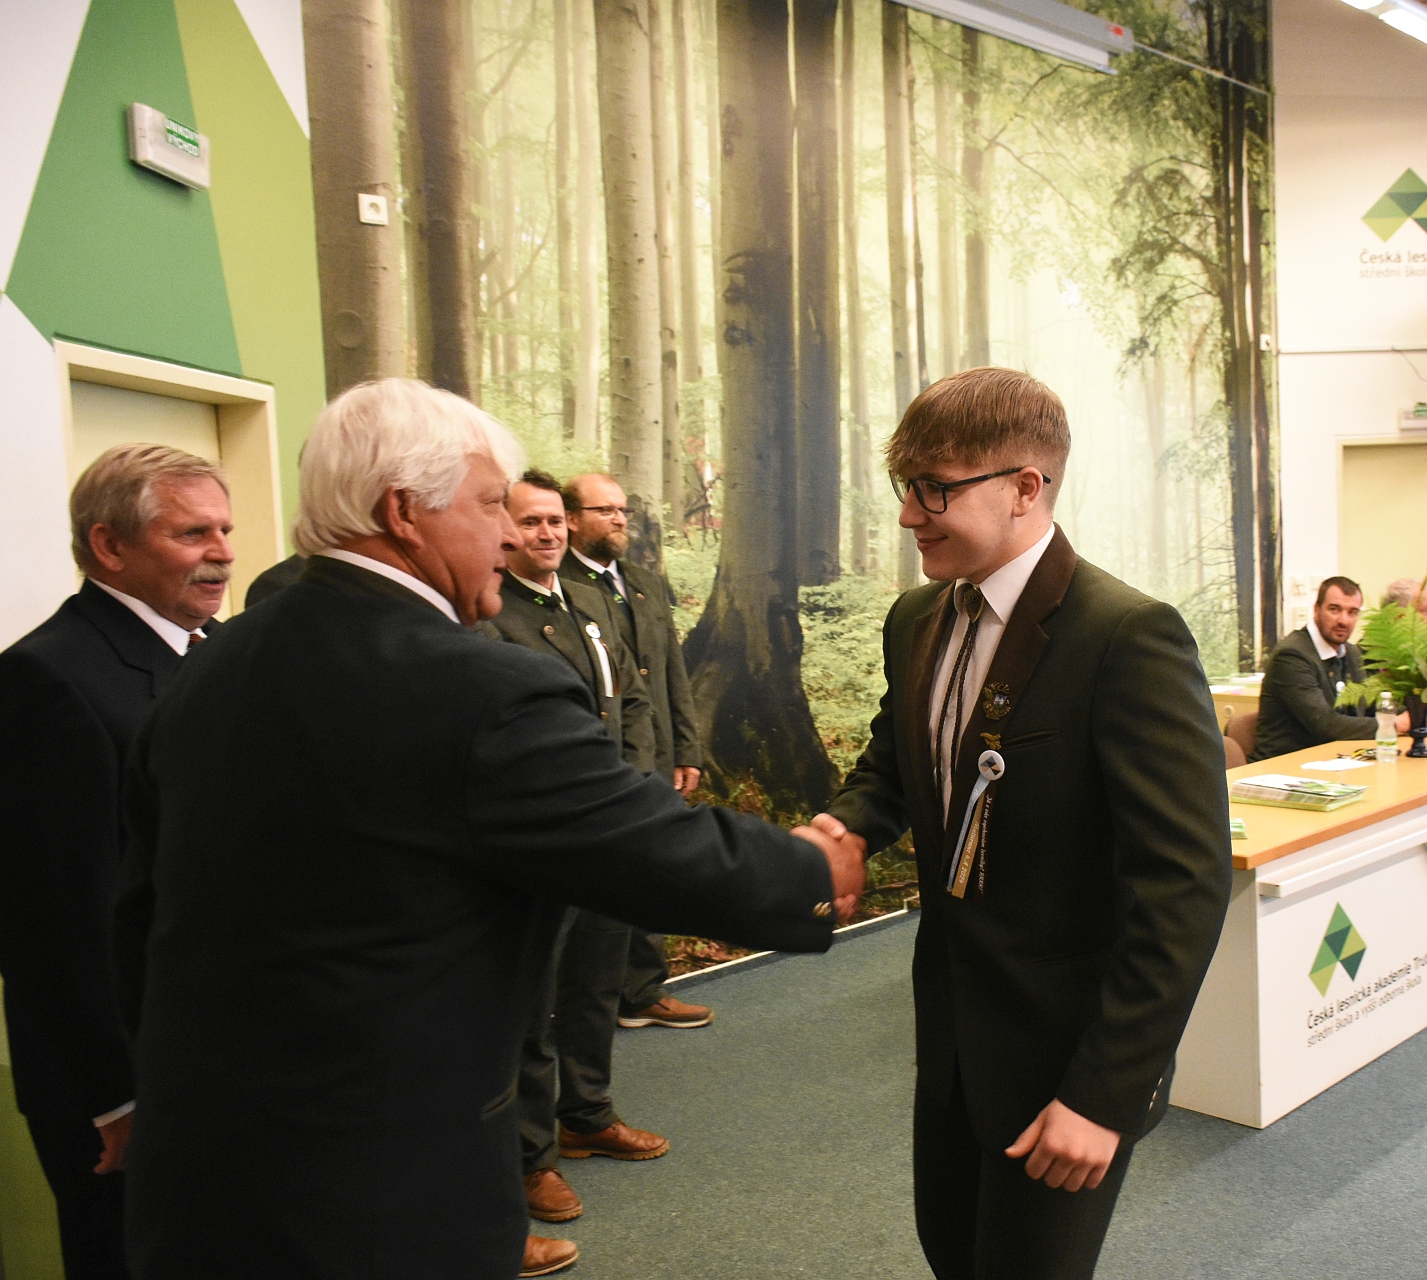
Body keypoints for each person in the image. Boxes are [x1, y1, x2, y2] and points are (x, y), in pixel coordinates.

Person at [112, 379, 863, 1280]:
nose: (509, 534)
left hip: (199, 1170)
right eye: (488, 505)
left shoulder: (210, 664)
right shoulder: (478, 688)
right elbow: (643, 846)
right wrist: (809, 870)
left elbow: (139, 913)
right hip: (378, 1194)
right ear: (403, 512)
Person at [807, 367, 1233, 1280]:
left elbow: (1184, 890)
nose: (909, 515)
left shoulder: (1127, 636)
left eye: (935, 490)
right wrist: (842, 830)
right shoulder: (917, 619)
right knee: (952, 1254)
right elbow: (897, 765)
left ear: (1025, 488)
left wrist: (1105, 1096)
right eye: (905, 486)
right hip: (953, 1044)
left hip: (1065, 1065)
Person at [0, 444, 231, 1280]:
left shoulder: (223, 652)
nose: (223, 552)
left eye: (225, 530)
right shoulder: (45, 679)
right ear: (109, 546)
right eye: (193, 533)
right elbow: (53, 919)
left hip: (222, 1058)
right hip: (126, 1085)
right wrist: (116, 1097)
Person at [487, 471, 667, 1236]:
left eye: (555, 521)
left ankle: (588, 1115)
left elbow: (630, 698)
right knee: (533, 1007)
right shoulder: (492, 615)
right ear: (505, 532)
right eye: (530, 522)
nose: (547, 534)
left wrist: (628, 792)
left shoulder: (589, 601)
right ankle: (533, 1158)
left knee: (595, 981)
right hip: (542, 843)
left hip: (606, 830)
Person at [559, 473, 715, 1033]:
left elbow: (672, 672)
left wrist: (688, 748)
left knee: (651, 869)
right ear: (572, 519)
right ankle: (583, 998)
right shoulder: (559, 585)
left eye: (622, 510)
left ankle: (643, 991)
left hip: (658, 751)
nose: (619, 520)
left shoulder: (644, 583)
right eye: (604, 510)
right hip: (601, 757)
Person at [1252, 577, 1427, 762]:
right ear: (1316, 609)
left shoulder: (1351, 653)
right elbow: (1326, 725)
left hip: (1336, 760)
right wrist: (1396, 723)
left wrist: (1418, 714)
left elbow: (1371, 705)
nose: (1343, 620)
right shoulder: (1292, 656)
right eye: (1334, 609)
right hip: (1284, 767)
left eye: (1352, 612)